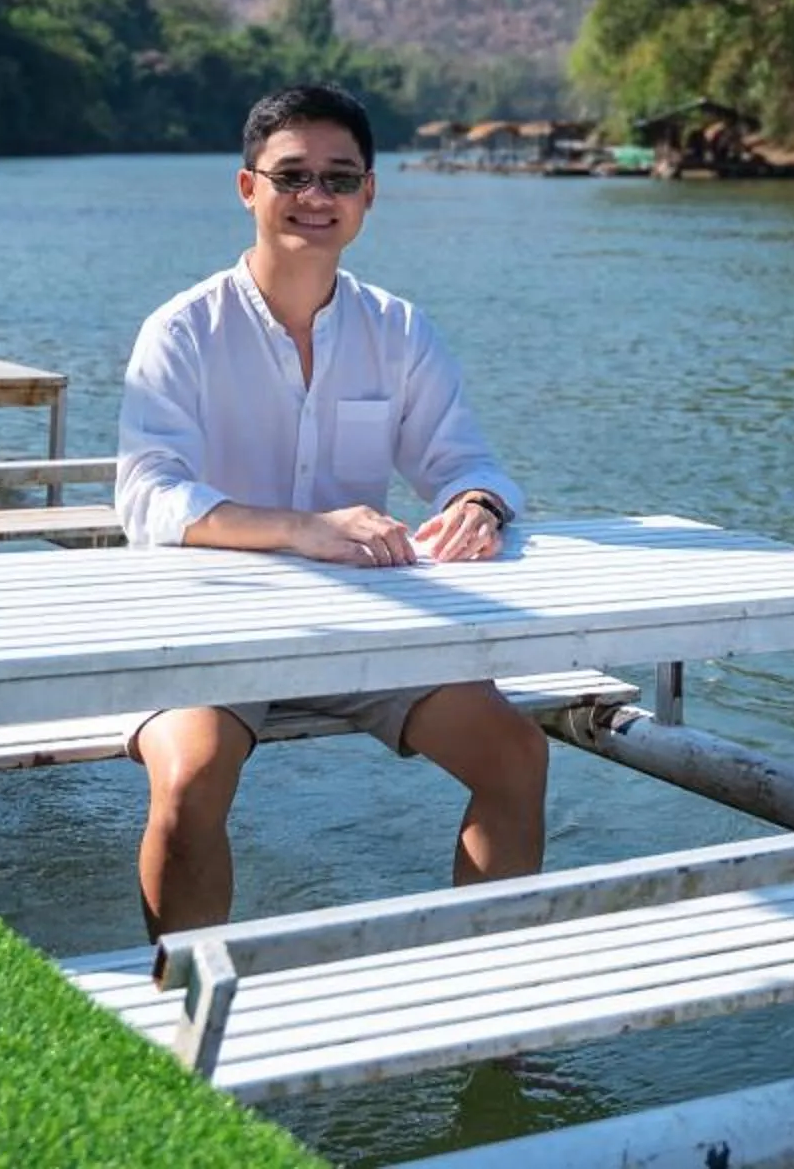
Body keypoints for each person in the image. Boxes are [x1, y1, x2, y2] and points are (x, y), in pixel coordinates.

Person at [115, 82, 548, 934]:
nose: (316, 198)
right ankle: (183, 1017)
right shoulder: (182, 331)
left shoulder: (400, 330)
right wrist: (304, 531)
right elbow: (147, 496)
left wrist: (478, 504)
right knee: (190, 782)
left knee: (516, 755)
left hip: (364, 626)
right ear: (249, 189)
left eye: (339, 179)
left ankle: (491, 1015)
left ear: (369, 195)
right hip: (212, 623)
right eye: (292, 177)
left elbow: (466, 461)